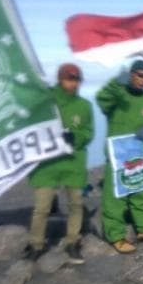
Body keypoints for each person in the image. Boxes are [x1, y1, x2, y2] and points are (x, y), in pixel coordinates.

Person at [96, 60, 143, 254]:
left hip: (141, 154)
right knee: (116, 196)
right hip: (118, 155)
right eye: (141, 76)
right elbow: (103, 99)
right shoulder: (119, 95)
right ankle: (116, 236)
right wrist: (116, 83)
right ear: (131, 75)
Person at [26, 63, 93, 263]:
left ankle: (72, 243)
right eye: (68, 79)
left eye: (76, 79)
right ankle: (36, 245)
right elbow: (29, 123)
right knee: (42, 208)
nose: (72, 83)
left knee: (76, 205)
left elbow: (88, 132)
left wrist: (76, 137)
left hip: (73, 164)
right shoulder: (46, 101)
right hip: (47, 165)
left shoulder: (83, 106)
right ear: (60, 79)